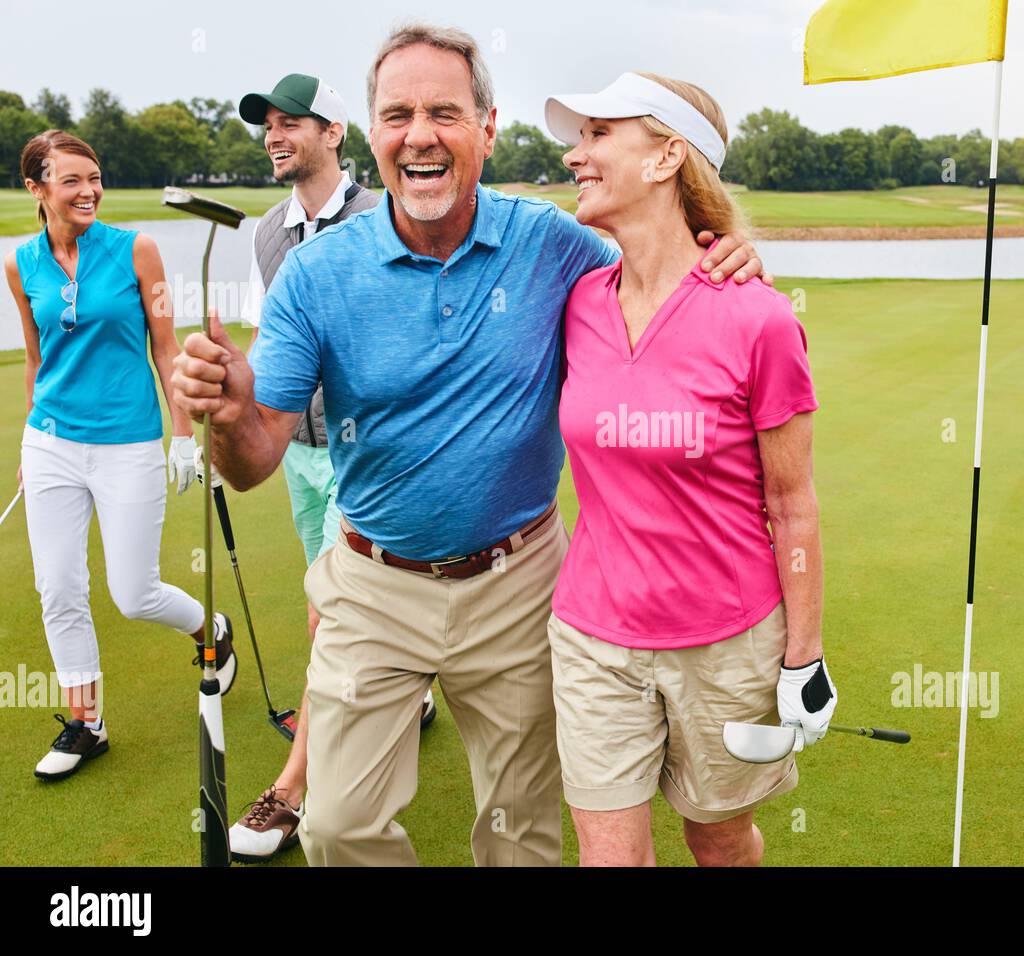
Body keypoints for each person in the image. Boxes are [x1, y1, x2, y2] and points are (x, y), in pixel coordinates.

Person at [171, 21, 766, 866]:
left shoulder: (551, 245)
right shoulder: (313, 273)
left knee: (520, 829)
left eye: (445, 114)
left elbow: (658, 260)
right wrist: (228, 417)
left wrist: (726, 249)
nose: (420, 135)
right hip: (373, 583)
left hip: (518, 579)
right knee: (338, 826)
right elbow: (258, 455)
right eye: (398, 114)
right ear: (372, 135)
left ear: (487, 130)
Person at [543, 72, 837, 866]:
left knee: (720, 840)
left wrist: (804, 656)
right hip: (593, 635)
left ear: (669, 155)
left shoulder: (759, 317)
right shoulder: (577, 302)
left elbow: (793, 501)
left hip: (730, 641)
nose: (576, 155)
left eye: (598, 134)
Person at [224, 72, 435, 864]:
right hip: (300, 457)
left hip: (367, 455)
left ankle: (293, 786)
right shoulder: (268, 233)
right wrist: (228, 413)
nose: (275, 137)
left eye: (291, 123)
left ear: (334, 133)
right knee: (341, 608)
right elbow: (272, 346)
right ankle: (405, 692)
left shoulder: (384, 217)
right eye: (268, 126)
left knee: (332, 616)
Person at [4, 130, 235, 783]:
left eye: (94, 178)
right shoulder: (20, 263)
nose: (89, 190)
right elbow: (36, 356)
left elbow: (166, 349)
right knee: (59, 588)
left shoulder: (138, 249)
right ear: (37, 188)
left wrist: (183, 434)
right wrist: (31, 441)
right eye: (71, 180)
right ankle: (87, 724)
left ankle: (208, 629)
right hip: (50, 441)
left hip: (127, 442)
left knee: (133, 593)